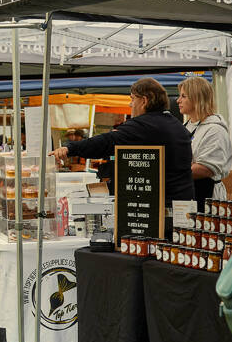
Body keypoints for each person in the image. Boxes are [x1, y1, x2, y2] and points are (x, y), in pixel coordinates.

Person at [51, 77, 194, 232]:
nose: (130, 104)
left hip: (160, 214)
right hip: (184, 209)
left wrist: (70, 149)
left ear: (144, 101)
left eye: (132, 99)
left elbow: (106, 142)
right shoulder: (177, 125)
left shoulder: (144, 125)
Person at [176, 76, 232, 212]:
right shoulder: (186, 126)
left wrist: (172, 172)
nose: (178, 100)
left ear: (197, 98)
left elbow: (207, 168)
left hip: (206, 197)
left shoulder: (215, 129)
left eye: (184, 96)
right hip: (188, 193)